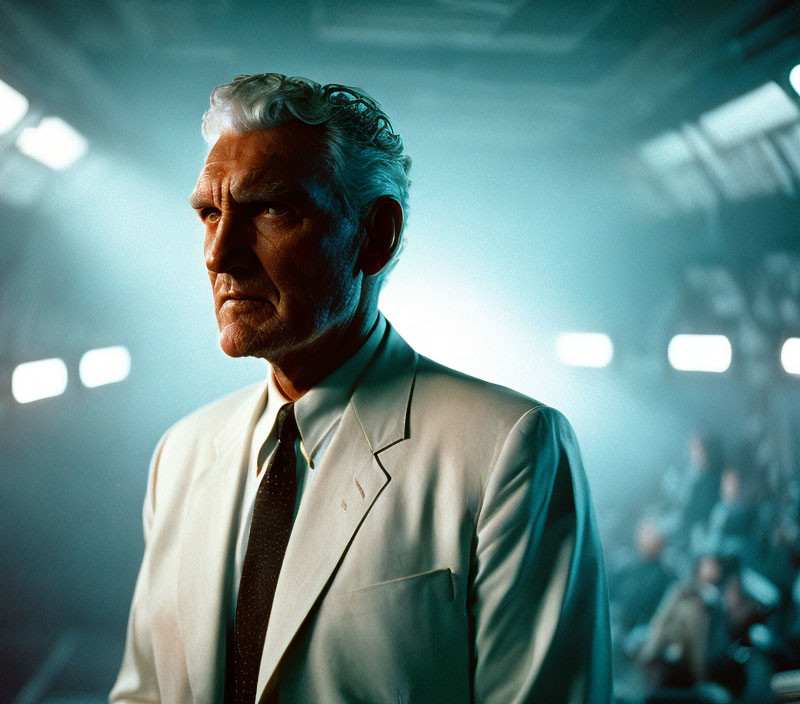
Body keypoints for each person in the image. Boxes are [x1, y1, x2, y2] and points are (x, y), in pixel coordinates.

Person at [110, 73, 612, 704]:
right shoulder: (178, 457)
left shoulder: (509, 450)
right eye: (210, 212)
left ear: (376, 235)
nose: (219, 253)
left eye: (270, 208)